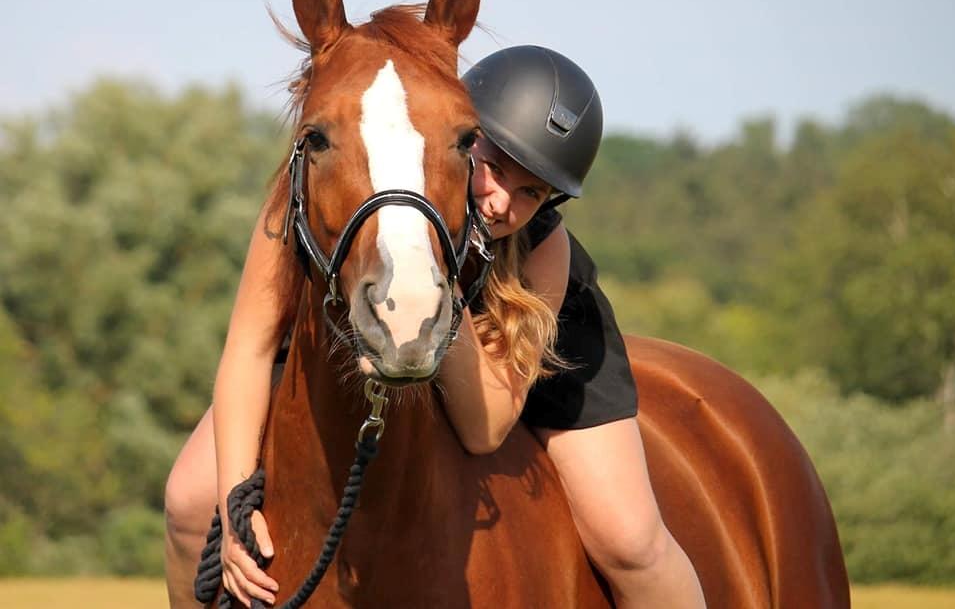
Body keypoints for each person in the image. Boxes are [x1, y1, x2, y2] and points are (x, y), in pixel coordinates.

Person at [164, 46, 705, 609]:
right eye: (494, 168)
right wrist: (235, 503)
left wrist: (436, 285)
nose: (500, 204)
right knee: (187, 501)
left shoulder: (544, 246)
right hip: (361, 321)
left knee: (631, 542)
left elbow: (484, 430)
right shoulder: (312, 200)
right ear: (457, 140)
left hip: (542, 353)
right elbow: (248, 351)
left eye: (532, 192)